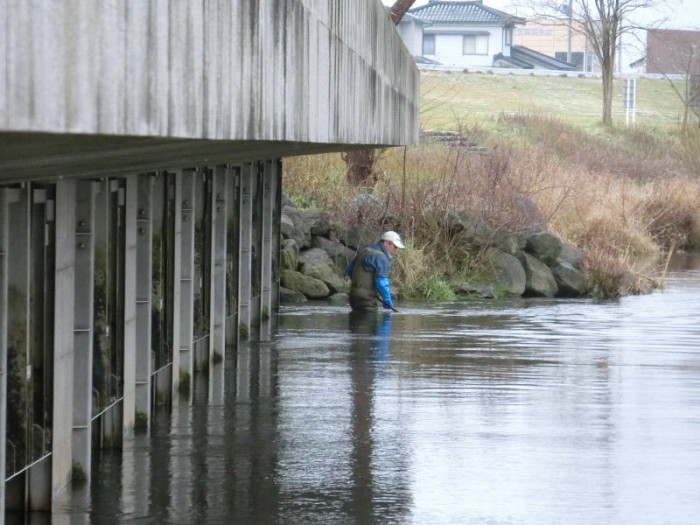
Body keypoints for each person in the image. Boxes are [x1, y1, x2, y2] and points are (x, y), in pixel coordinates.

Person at [346, 230, 405, 312]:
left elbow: (349, 270)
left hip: (353, 296)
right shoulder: (381, 258)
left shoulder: (365, 251)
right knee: (370, 319)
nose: (395, 249)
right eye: (395, 246)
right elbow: (382, 281)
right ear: (386, 243)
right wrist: (387, 299)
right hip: (366, 299)